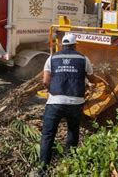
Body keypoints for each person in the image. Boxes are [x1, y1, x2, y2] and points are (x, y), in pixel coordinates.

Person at [39, 33, 96, 172]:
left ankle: (42, 170)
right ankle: (69, 166)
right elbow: (93, 79)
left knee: (48, 135)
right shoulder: (84, 58)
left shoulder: (51, 58)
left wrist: (52, 91)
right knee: (73, 131)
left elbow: (45, 81)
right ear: (75, 45)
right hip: (75, 103)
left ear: (62, 45)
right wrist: (90, 84)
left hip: (55, 103)